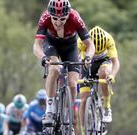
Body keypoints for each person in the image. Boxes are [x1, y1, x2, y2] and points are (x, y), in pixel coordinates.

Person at [32, 0, 95, 132]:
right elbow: (37, 45)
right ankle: (49, 109)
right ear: (50, 14)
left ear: (68, 15)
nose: (58, 22)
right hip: (51, 44)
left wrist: (88, 57)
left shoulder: (75, 17)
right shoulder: (45, 17)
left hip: (70, 46)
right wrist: (43, 58)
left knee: (73, 84)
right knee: (54, 69)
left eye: (62, 19)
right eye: (55, 18)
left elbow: (90, 45)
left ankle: (67, 117)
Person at [77, 26, 120, 133]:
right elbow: (78, 62)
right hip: (87, 62)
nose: (96, 53)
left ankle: (106, 105)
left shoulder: (109, 39)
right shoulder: (81, 41)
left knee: (103, 73)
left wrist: (112, 75)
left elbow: (115, 62)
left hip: (104, 61)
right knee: (83, 99)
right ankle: (83, 131)